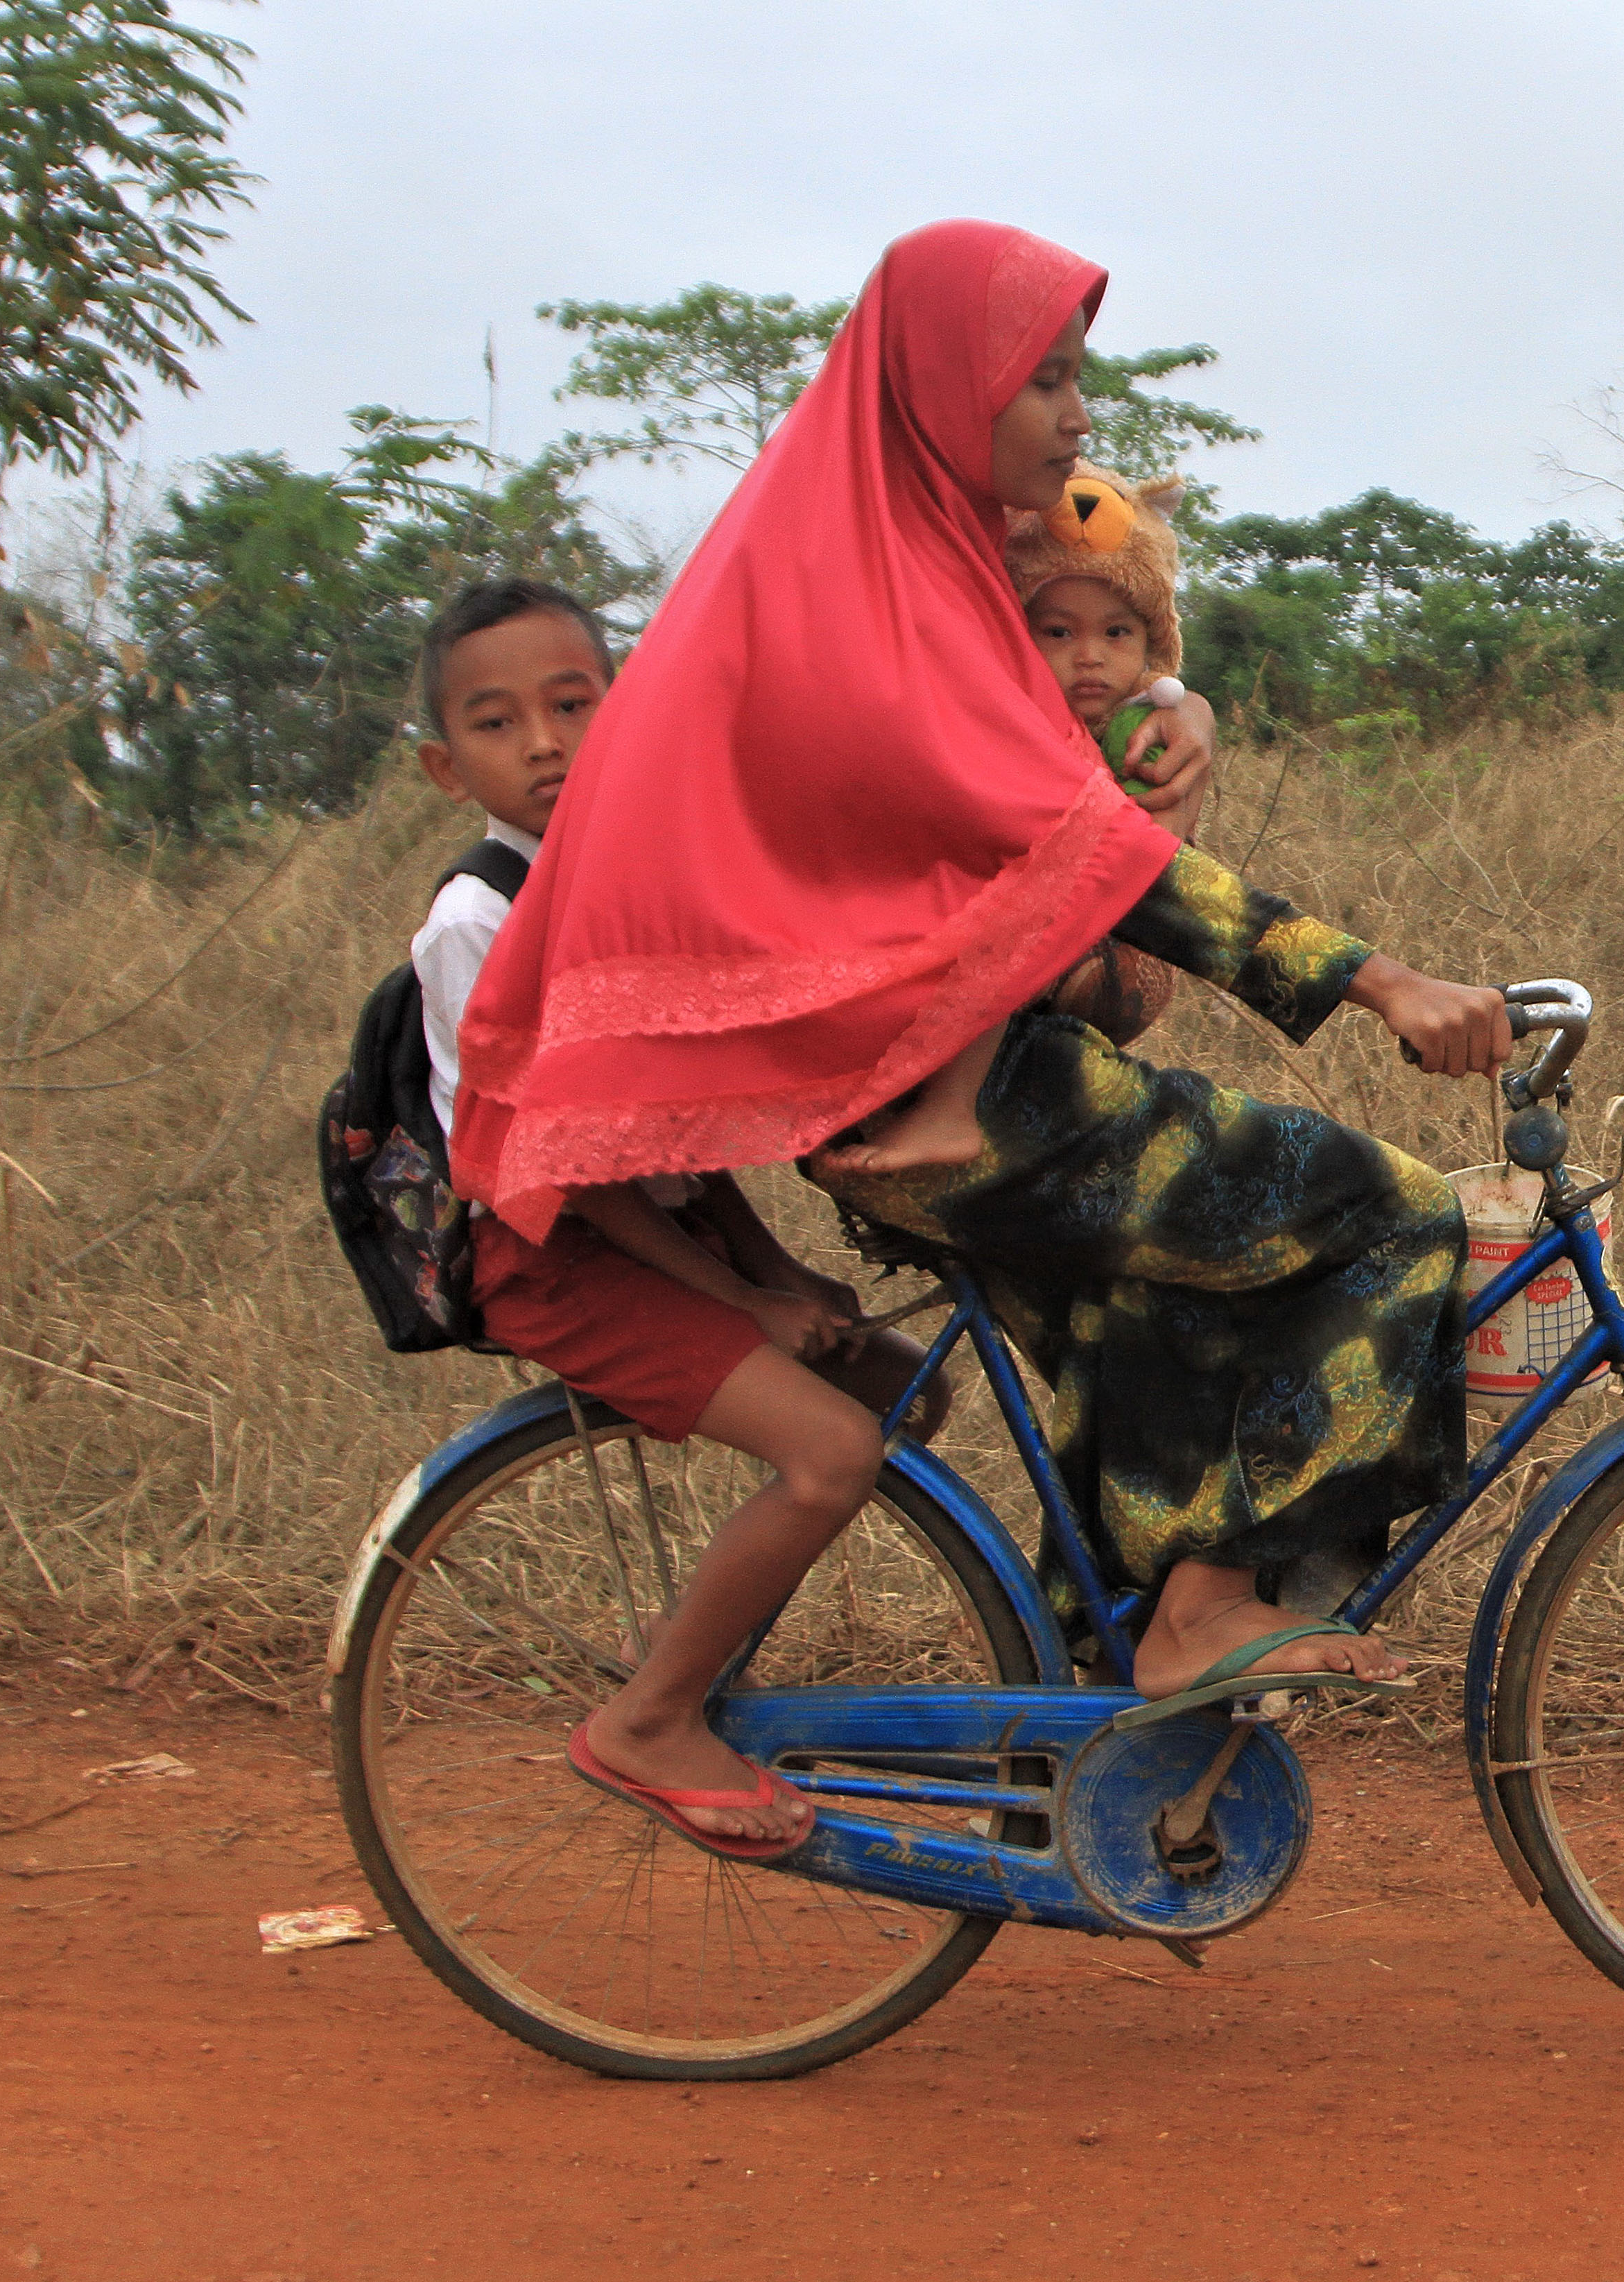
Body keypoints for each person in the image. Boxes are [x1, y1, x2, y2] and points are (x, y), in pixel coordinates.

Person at [444, 223, 1506, 1860]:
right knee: (1392, 1212)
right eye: (1049, 377)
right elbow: (1100, 854)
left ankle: (1119, 1690)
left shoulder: (894, 559)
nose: (1080, 415)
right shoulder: (893, 600)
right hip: (969, 1111)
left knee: (1166, 1323)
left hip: (911, 1106)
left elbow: (1088, 877)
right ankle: (1200, 1613)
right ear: (947, 387)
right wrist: (1381, 987)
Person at [409, 576, 947, 1862]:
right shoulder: (476, 921)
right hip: (557, 1257)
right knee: (831, 1456)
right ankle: (649, 1721)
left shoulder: (626, 873)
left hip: (661, 1230)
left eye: (573, 703)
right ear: (444, 765)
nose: (543, 741)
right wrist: (741, 1300)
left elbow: (680, 1127)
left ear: (624, 706)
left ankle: (694, 1657)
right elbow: (574, 1166)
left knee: (898, 1392)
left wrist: (779, 1270)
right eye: (496, 723)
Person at [824, 460, 1197, 1169]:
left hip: (1118, 948)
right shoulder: (1009, 722)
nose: (1089, 657)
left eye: (1116, 633)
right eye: (1057, 633)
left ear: (1152, 643)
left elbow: (1152, 874)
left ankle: (953, 1107)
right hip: (1047, 963)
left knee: (1006, 889)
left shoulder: (1146, 731)